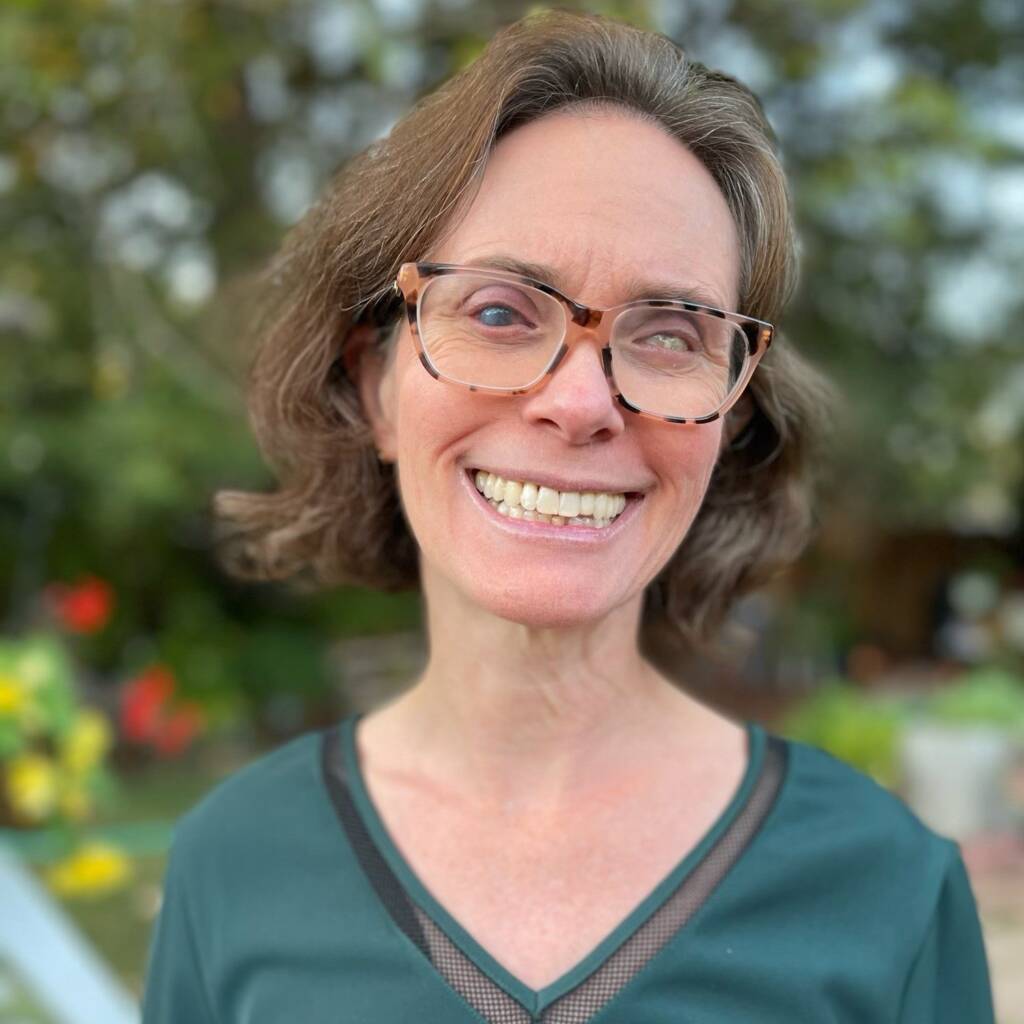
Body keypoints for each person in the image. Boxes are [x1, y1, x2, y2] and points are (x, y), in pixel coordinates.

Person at [141, 10, 995, 1023]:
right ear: (373, 385)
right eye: (501, 312)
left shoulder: (886, 887)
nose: (581, 402)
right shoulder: (232, 864)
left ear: (731, 411)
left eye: (671, 332)